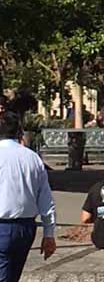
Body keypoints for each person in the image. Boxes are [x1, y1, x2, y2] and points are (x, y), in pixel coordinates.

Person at [0, 112, 56, 281]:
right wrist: (49, 233)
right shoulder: (32, 158)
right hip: (25, 228)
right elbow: (45, 198)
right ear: (19, 132)